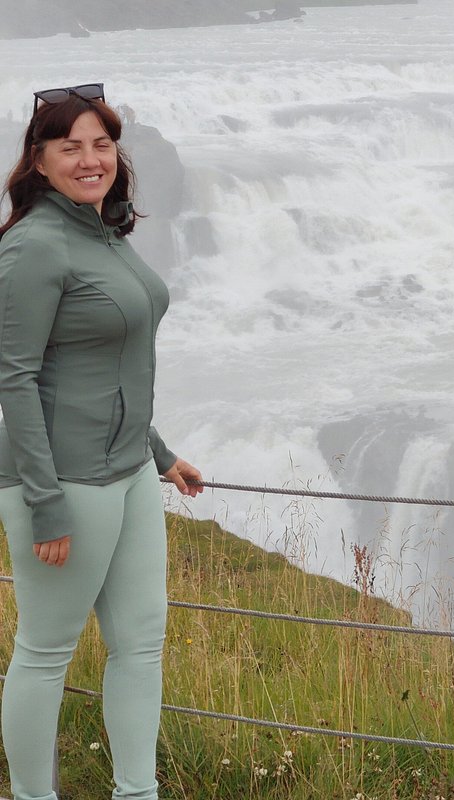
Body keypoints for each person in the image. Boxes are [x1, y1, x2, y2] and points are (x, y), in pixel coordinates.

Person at [0, 83, 202, 800]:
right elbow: (15, 380)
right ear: (40, 159)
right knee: (45, 652)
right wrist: (46, 504)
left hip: (125, 472)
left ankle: (137, 794)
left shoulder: (100, 232)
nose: (91, 159)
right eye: (71, 146)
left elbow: (104, 367)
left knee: (141, 644)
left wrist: (159, 452)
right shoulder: (33, 247)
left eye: (102, 144)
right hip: (64, 482)